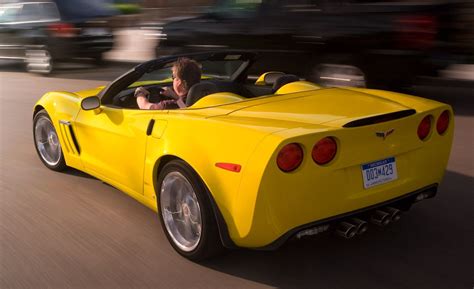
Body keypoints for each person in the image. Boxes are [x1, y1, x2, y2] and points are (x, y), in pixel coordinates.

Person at [135, 57, 201, 109]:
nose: (172, 79)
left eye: (173, 77)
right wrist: (176, 97)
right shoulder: (204, 96)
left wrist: (139, 93)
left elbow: (145, 106)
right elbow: (184, 107)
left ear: (179, 82)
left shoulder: (169, 105)